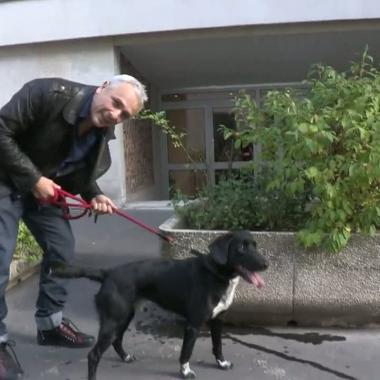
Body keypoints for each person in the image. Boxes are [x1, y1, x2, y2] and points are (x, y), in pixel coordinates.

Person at [0, 74, 147, 379]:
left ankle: (50, 324)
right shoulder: (47, 93)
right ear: (103, 86)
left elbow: (76, 168)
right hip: (5, 179)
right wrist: (34, 180)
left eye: (124, 115)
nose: (115, 114)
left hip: (43, 191)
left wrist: (95, 195)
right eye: (116, 103)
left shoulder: (101, 133)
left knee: (63, 250)